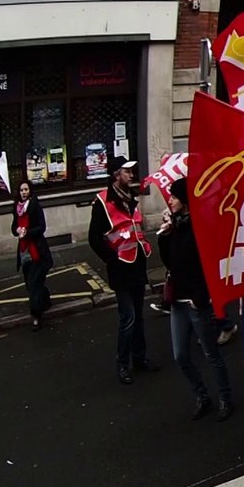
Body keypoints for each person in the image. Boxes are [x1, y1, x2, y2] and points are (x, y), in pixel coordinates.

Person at [157, 179, 233, 421]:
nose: (170, 201)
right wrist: (165, 234)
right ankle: (202, 395)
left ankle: (225, 397)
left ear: (186, 201)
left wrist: (201, 298)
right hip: (178, 300)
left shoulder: (200, 227)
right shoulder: (176, 226)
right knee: (181, 355)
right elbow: (169, 261)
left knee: (211, 354)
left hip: (195, 301)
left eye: (174, 197)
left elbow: (209, 265)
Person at [88, 156, 159, 384]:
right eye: (127, 172)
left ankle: (139, 358)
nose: (131, 175)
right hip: (120, 269)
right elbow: (94, 237)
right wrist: (111, 259)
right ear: (116, 175)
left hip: (137, 266)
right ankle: (122, 364)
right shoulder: (102, 201)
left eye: (132, 172)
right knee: (127, 317)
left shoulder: (131, 198)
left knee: (138, 316)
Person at [11, 180, 53, 330]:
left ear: (30, 191)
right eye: (21, 190)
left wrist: (28, 232)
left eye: (26, 190)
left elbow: (41, 227)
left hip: (36, 250)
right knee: (31, 285)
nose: (23, 192)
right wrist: (17, 230)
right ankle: (46, 299)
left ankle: (36, 316)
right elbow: (13, 226)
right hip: (24, 251)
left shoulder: (35, 206)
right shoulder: (17, 208)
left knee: (34, 284)